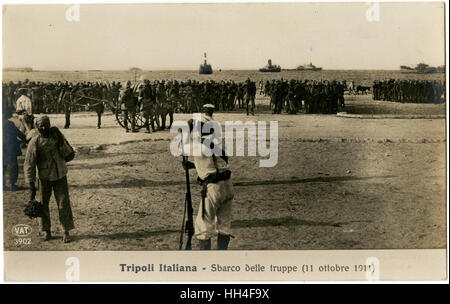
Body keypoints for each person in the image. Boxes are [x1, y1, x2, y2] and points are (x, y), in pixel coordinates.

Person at [182, 104, 235, 250]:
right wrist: (194, 165)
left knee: (203, 227)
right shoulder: (218, 142)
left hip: (213, 188)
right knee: (224, 225)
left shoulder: (196, 145)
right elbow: (218, 161)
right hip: (228, 185)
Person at [24, 116, 75, 243]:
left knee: (63, 204)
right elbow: (29, 164)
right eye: (40, 125)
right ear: (36, 127)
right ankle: (45, 230)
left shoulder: (56, 136)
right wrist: (31, 185)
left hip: (60, 175)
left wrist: (60, 140)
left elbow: (69, 155)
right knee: (43, 205)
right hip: (44, 178)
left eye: (46, 124)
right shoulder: (34, 142)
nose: (43, 127)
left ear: (49, 124)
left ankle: (65, 230)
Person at [3, 112, 27, 191]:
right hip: (10, 148)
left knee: (3, 166)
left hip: (3, 149)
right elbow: (18, 133)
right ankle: (12, 184)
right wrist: (26, 139)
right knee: (13, 166)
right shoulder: (9, 124)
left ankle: (3, 185)